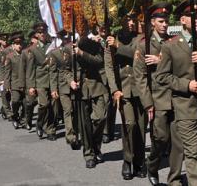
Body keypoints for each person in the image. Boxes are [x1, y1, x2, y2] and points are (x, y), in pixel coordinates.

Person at [154, 0, 197, 186]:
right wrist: (186, 85)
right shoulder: (171, 45)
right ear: (182, 20)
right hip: (185, 107)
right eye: (192, 15)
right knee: (193, 154)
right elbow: (162, 77)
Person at [133, 2, 184, 186]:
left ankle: (175, 179)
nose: (165, 24)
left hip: (176, 96)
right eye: (161, 21)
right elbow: (140, 77)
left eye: (166, 21)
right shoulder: (143, 45)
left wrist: (160, 60)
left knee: (178, 142)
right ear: (153, 22)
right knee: (160, 139)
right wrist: (148, 103)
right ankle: (152, 166)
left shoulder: (174, 41)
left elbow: (181, 65)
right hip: (157, 98)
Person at [105, 12, 146, 180]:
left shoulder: (141, 39)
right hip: (124, 90)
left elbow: (138, 56)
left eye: (133, 20)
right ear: (120, 21)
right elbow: (109, 67)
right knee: (129, 125)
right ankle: (127, 160)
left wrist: (118, 46)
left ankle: (139, 161)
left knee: (141, 127)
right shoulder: (111, 40)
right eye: (127, 19)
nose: (131, 23)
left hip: (141, 89)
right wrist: (115, 90)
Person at [74, 34, 107, 169]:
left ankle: (95, 145)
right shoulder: (70, 46)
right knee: (85, 124)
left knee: (100, 117)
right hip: (81, 87)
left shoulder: (94, 44)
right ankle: (89, 154)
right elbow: (65, 69)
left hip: (96, 84)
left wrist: (81, 53)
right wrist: (70, 79)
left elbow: (99, 61)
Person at [21, 22, 55, 140]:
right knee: (44, 104)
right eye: (40, 33)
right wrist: (30, 86)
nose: (42, 34)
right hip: (40, 80)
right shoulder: (32, 49)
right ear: (36, 34)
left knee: (52, 106)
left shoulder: (51, 45)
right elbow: (30, 69)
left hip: (52, 79)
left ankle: (50, 130)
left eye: (44, 32)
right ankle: (40, 123)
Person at [50, 30, 78, 147]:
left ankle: (76, 131)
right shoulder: (55, 53)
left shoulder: (75, 49)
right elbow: (53, 72)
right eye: (64, 37)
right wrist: (53, 89)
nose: (66, 39)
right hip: (63, 86)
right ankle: (71, 136)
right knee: (68, 110)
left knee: (76, 111)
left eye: (68, 37)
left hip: (76, 84)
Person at [7, 31, 26, 128]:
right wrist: (7, 85)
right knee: (15, 101)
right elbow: (7, 72)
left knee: (26, 103)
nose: (19, 45)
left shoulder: (25, 54)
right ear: (13, 45)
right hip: (14, 83)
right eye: (17, 44)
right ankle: (14, 116)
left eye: (20, 43)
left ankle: (23, 119)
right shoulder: (10, 57)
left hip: (25, 82)